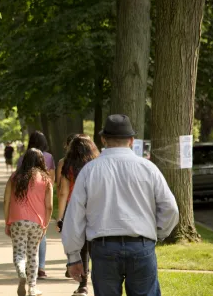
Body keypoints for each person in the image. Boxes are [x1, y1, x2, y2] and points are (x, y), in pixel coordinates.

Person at [62, 114, 179, 296]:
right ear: (132, 140)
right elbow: (170, 207)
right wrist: (158, 233)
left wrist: (73, 256)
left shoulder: (90, 171)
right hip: (141, 245)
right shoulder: (148, 168)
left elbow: (74, 215)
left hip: (104, 248)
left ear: (103, 139)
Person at [4, 148, 53, 296]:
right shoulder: (46, 179)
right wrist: (46, 224)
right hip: (37, 222)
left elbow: (6, 201)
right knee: (33, 254)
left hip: (17, 221)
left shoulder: (15, 177)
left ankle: (21, 273)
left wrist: (7, 221)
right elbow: (49, 206)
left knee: (19, 254)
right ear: (41, 161)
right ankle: (32, 288)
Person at [57, 135, 99, 296]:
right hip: (95, 208)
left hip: (75, 209)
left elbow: (63, 193)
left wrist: (60, 217)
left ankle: (83, 285)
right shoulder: (96, 164)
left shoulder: (68, 165)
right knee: (96, 245)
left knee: (81, 248)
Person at [17, 131, 55, 279]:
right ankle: (41, 267)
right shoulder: (49, 157)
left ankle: (27, 267)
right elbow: (51, 179)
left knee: (25, 238)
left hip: (26, 200)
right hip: (42, 198)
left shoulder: (23, 158)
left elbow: (18, 179)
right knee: (42, 235)